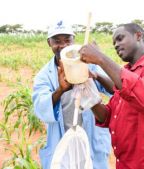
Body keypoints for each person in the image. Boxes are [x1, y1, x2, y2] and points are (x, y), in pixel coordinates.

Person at [79, 23, 144, 169]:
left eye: (120, 39)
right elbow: (108, 116)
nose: (116, 45)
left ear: (138, 36)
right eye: (114, 43)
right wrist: (90, 97)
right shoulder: (127, 72)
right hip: (126, 162)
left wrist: (100, 58)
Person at [32, 20, 111, 169]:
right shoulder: (44, 75)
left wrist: (97, 69)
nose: (63, 45)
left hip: (91, 137)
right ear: (49, 43)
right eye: (57, 41)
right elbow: (40, 108)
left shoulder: (89, 64)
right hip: (62, 139)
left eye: (67, 40)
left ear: (74, 40)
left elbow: (113, 89)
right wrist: (60, 90)